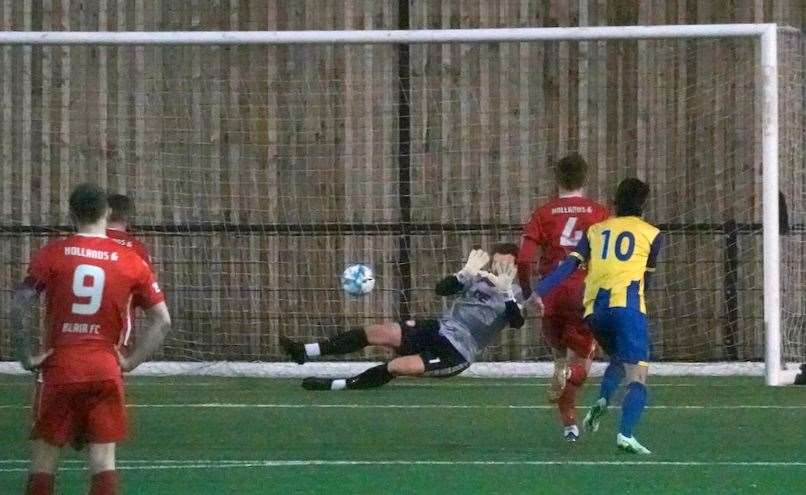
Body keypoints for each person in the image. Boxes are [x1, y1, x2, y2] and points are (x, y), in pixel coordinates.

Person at [11, 183, 172, 494]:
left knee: (44, 461)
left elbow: (19, 307)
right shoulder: (132, 260)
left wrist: (25, 357)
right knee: (103, 462)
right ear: (107, 212)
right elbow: (163, 321)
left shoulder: (52, 254)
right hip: (105, 368)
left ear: (71, 214)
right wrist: (130, 362)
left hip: (61, 367)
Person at [532, 178, 663, 454]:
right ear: (643, 204)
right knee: (638, 375)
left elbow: (568, 266)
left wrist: (538, 291)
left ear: (615, 201)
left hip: (593, 310)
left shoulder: (595, 230)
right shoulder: (652, 234)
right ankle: (625, 434)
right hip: (627, 307)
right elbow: (645, 281)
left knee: (617, 356)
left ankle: (602, 399)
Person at [281, 244, 525, 390]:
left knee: (396, 366)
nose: (497, 270)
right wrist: (464, 273)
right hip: (439, 329)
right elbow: (441, 289)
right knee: (378, 332)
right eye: (496, 265)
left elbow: (517, 322)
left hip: (458, 352)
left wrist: (505, 292)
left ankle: (339, 385)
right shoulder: (478, 279)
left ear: (515, 267)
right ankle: (305, 351)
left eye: (505, 266)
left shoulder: (516, 293)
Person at [518, 153, 609, 442]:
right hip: (583, 293)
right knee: (581, 364)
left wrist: (529, 292)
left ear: (556, 178)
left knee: (560, 361)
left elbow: (523, 259)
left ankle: (569, 425)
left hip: (551, 295)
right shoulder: (600, 213)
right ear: (586, 178)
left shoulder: (544, 213)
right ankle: (570, 385)